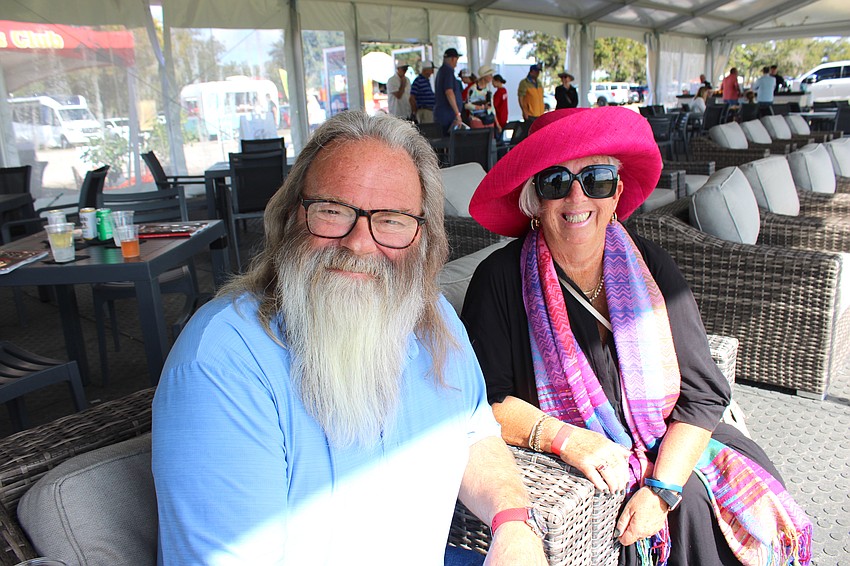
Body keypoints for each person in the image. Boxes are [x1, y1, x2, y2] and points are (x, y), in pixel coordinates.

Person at [152, 111, 548, 566]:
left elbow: (473, 433)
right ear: (290, 218)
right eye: (333, 211)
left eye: (392, 220)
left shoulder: (429, 314)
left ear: (423, 236)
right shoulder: (221, 365)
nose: (359, 242)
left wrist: (512, 521)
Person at [461, 106, 813, 566]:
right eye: (554, 182)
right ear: (533, 199)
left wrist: (662, 490)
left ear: (617, 193)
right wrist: (570, 440)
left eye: (597, 179)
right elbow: (483, 405)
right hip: (585, 475)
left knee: (696, 507)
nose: (577, 197)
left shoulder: (652, 265)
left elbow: (702, 392)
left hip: (673, 450)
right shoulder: (499, 280)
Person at [434, 48, 465, 134]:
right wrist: (457, 114)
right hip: (447, 116)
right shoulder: (448, 71)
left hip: (443, 115)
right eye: (456, 60)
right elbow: (449, 92)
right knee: (450, 142)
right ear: (453, 59)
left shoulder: (441, 71)